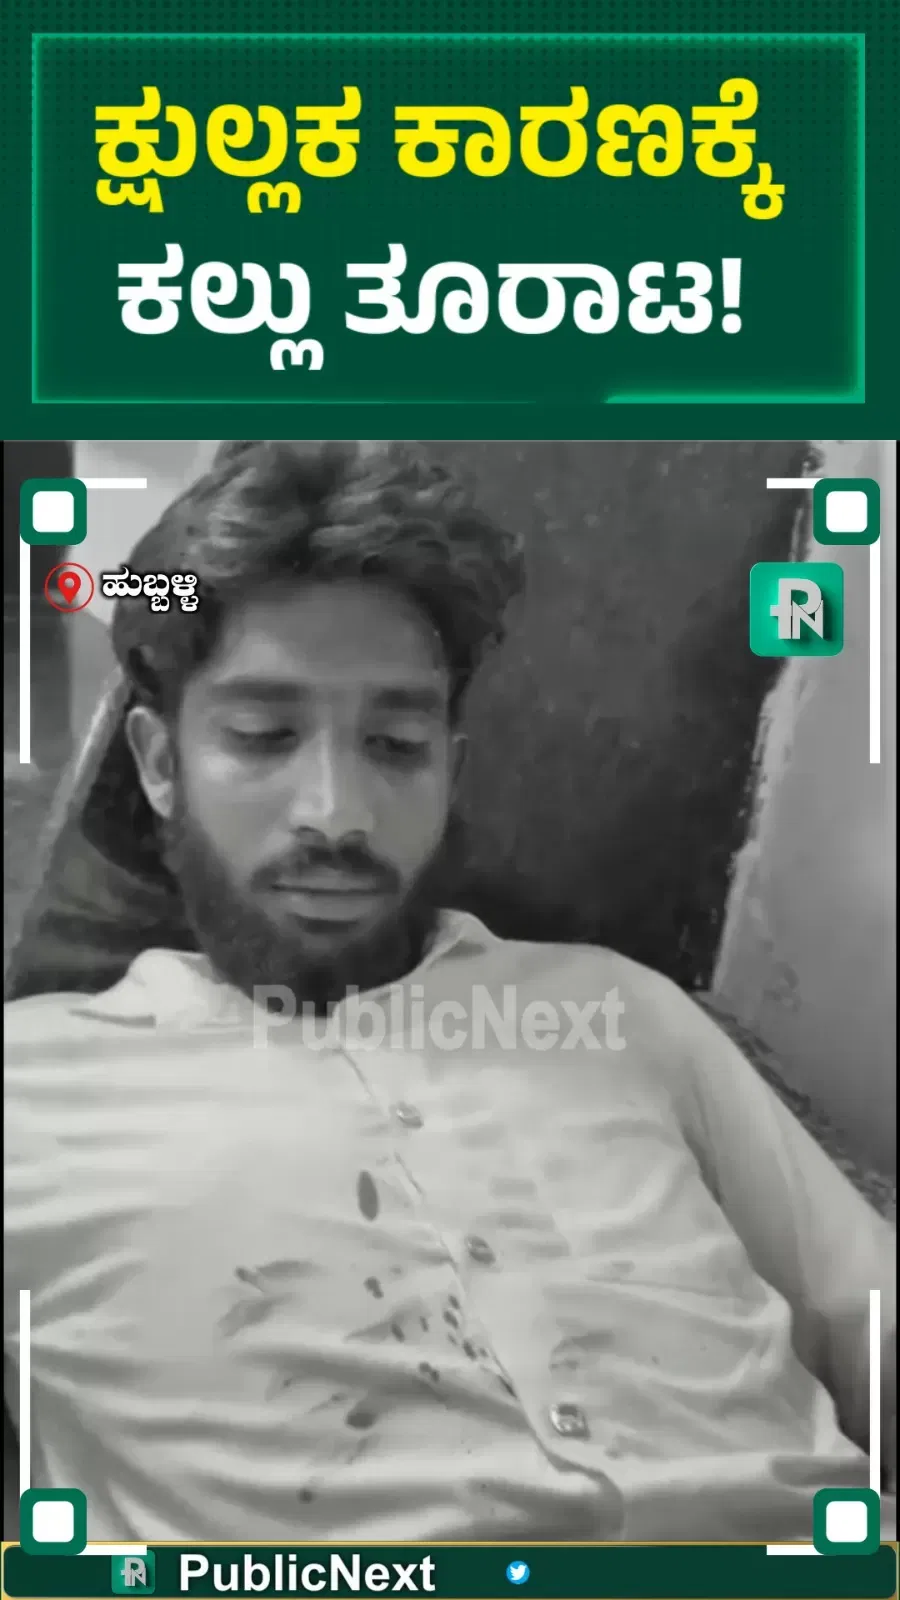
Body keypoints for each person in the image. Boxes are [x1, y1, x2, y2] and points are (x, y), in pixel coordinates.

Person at [4, 440, 896, 1544]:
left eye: (395, 744)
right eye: (264, 736)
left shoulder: (622, 1012)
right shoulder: (30, 1088)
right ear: (158, 764)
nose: (337, 814)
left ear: (451, 770)